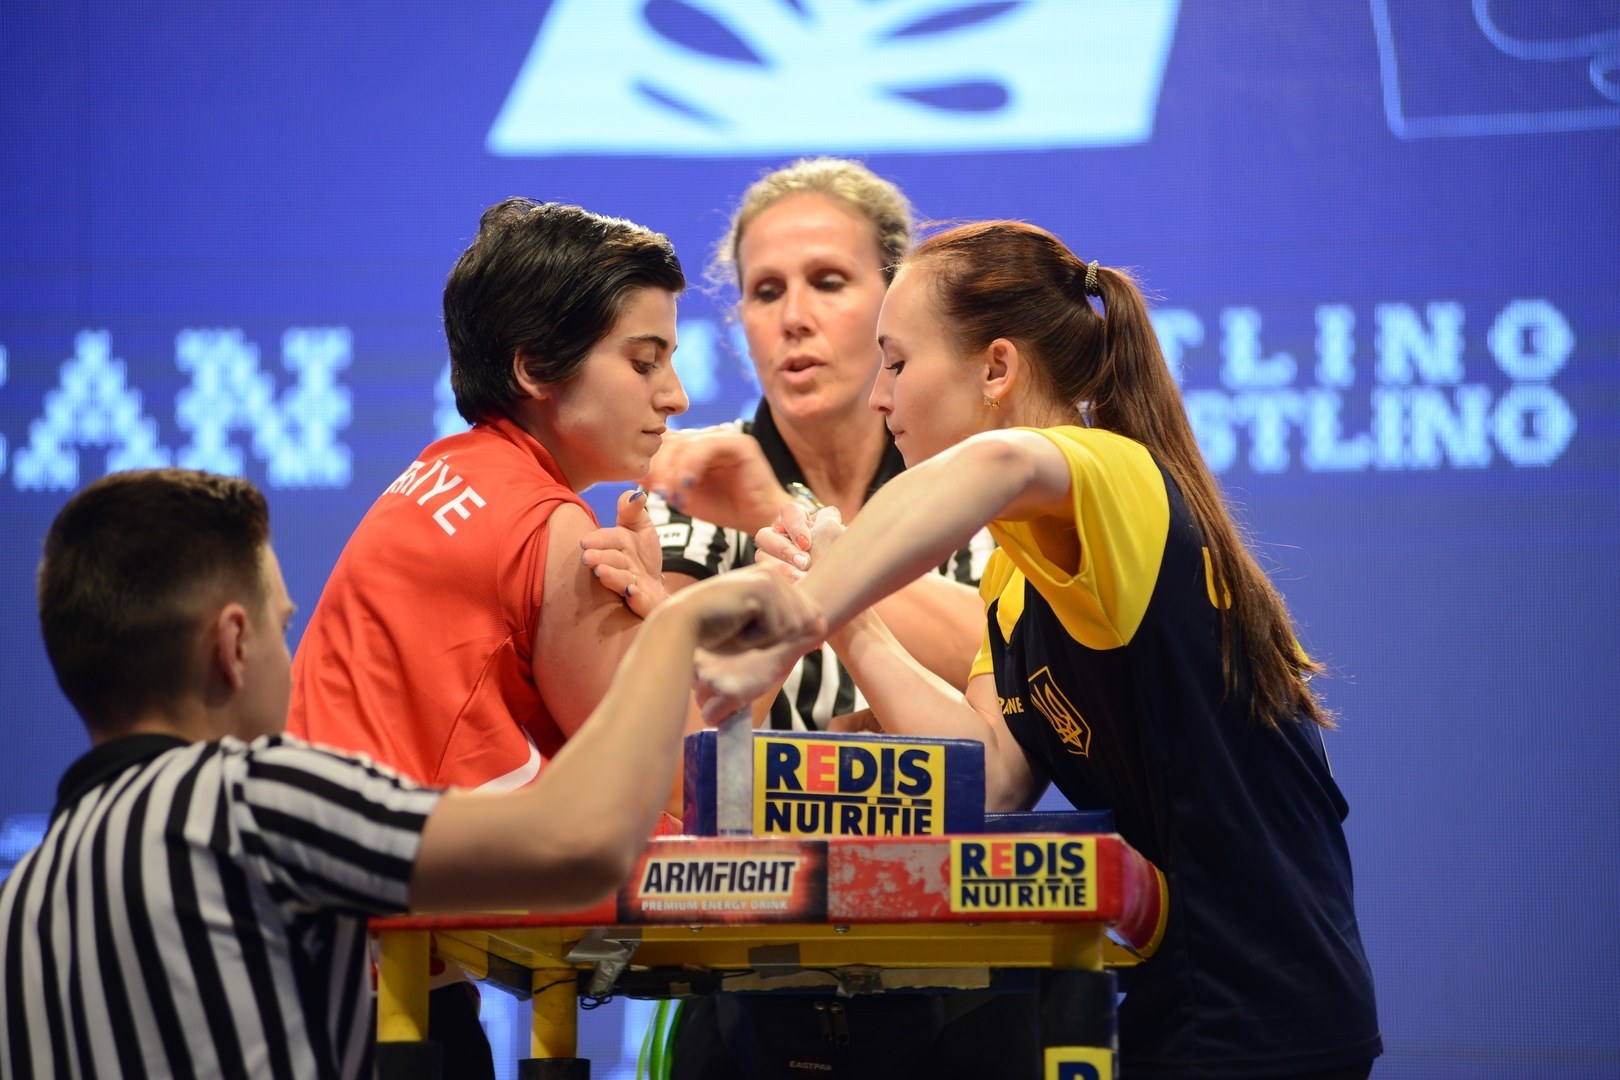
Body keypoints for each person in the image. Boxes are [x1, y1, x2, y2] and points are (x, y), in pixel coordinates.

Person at [714, 220, 1384, 1078]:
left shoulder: (1116, 477)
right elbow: (989, 778)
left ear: (996, 368)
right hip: (1177, 1000)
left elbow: (996, 463)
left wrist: (805, 607)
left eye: (899, 361)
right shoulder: (1016, 578)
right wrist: (852, 620)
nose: (880, 397)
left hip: (1268, 1010)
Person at [0, 467, 819, 1080]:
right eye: (287, 629)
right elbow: (579, 845)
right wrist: (674, 634)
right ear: (233, 644)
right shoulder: (261, 798)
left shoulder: (21, 899)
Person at [591, 161, 1034, 1079]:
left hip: (961, 981)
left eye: (829, 282)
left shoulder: (984, 485)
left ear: (894, 306)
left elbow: (1009, 690)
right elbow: (668, 735)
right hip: (738, 980)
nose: (794, 315)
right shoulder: (683, 485)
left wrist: (791, 552)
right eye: (764, 290)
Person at [285, 198, 691, 1069]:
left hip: (322, 970)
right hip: (385, 1010)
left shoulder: (434, 471)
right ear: (536, 366)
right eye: (644, 361)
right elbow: (677, 792)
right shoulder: (556, 535)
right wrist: (671, 625)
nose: (676, 396)